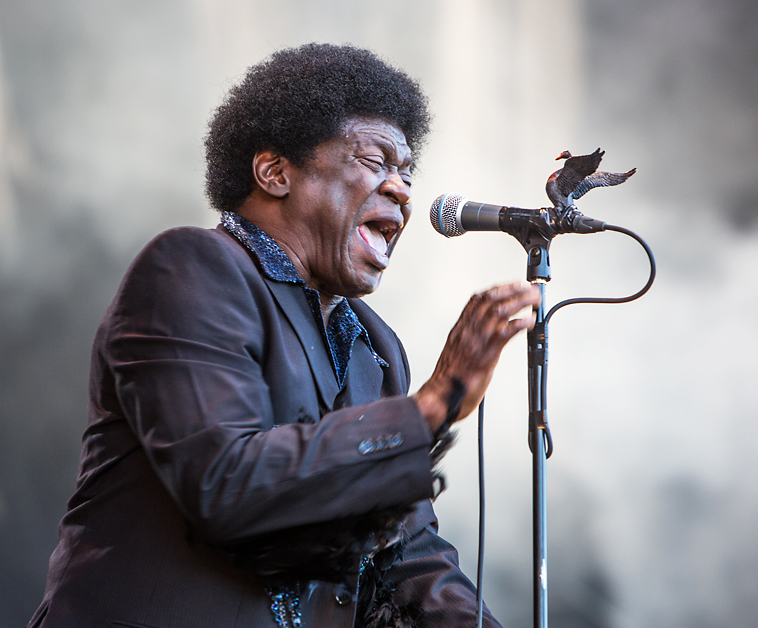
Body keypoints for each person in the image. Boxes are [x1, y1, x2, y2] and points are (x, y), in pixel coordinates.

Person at [29, 43, 540, 628]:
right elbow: (226, 483)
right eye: (376, 162)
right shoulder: (191, 268)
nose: (401, 189)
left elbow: (405, 559)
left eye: (406, 172)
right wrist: (429, 406)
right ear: (275, 173)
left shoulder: (377, 350)